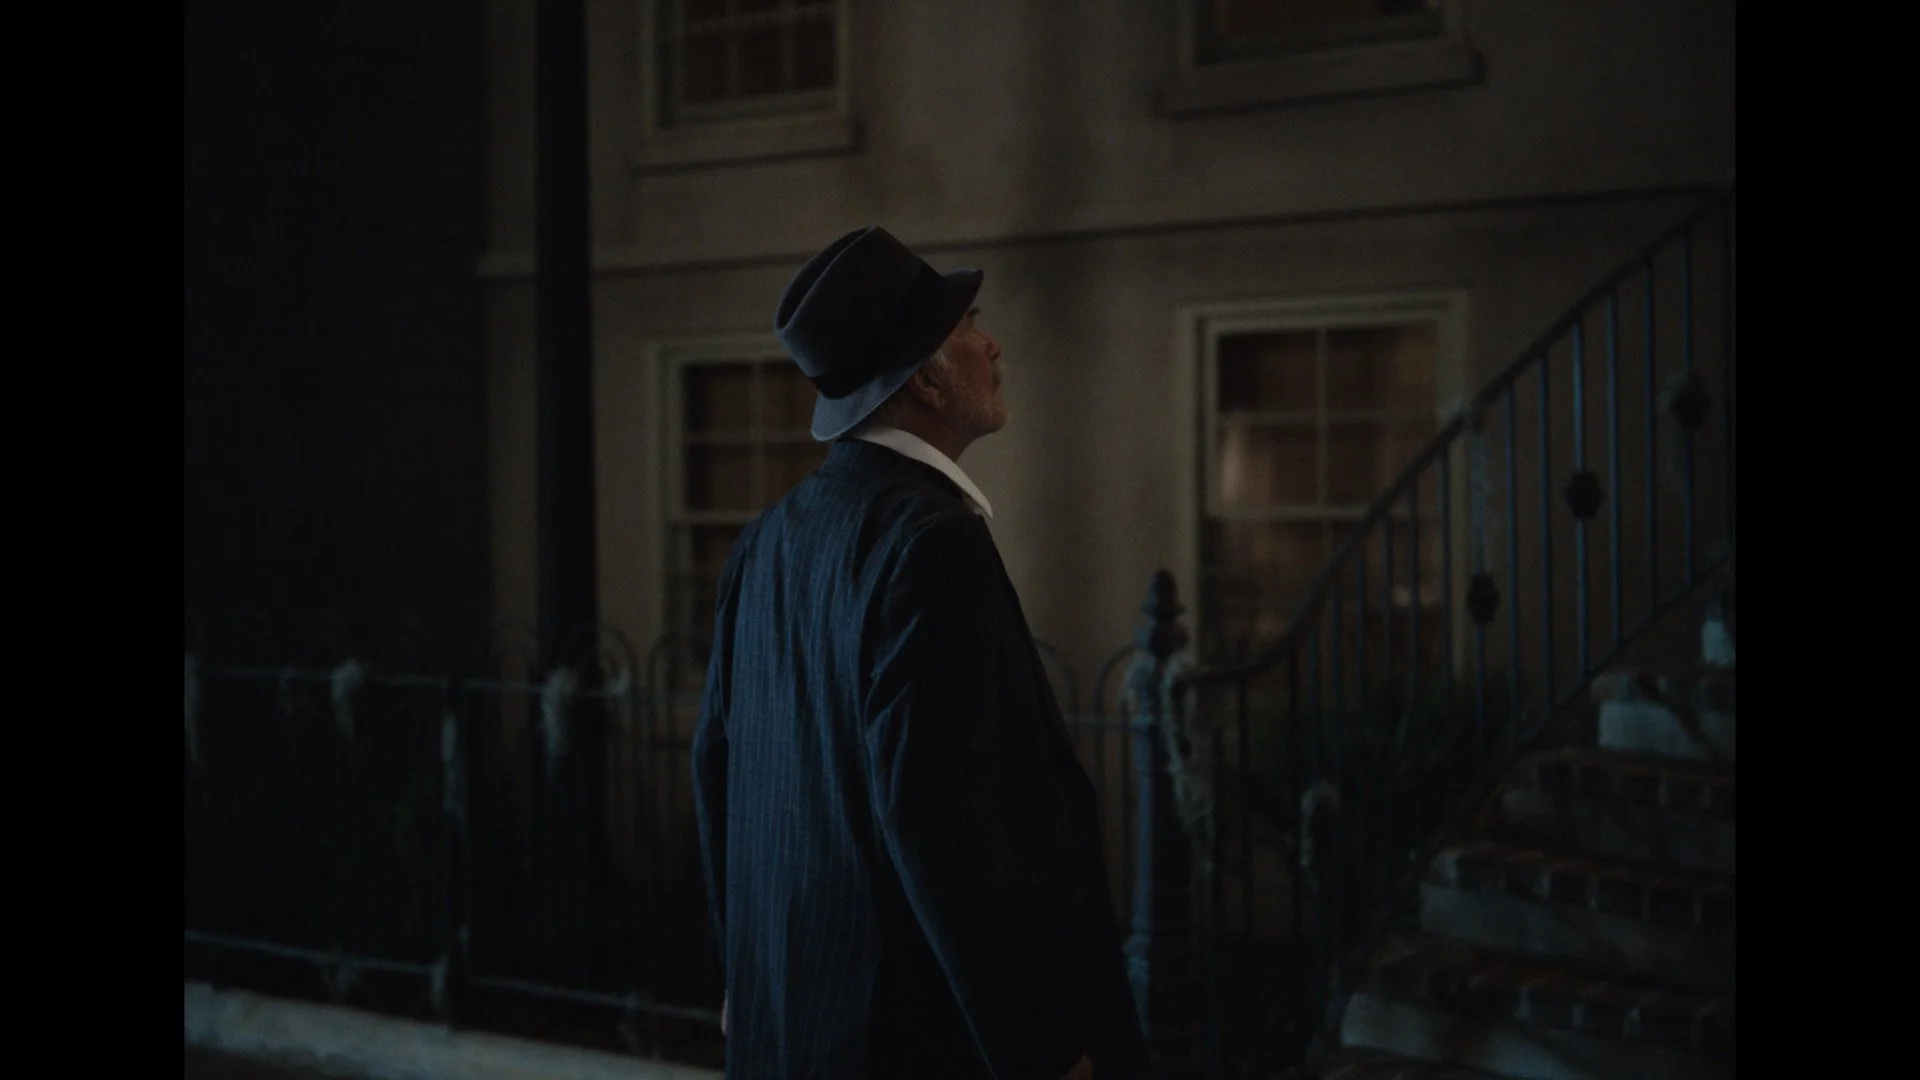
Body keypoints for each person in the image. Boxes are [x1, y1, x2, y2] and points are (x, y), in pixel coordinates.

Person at [691, 226, 1149, 1079]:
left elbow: (718, 770)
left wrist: (738, 975)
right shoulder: (931, 542)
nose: (992, 344)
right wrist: (1041, 1052)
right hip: (907, 1044)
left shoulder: (765, 541)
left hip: (786, 1032)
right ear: (929, 380)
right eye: (970, 325)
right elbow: (943, 828)